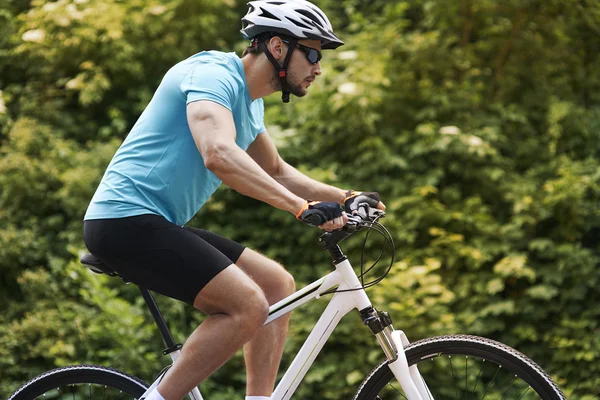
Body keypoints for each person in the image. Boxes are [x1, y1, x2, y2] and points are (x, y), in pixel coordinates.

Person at [83, 1, 385, 399]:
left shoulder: (251, 102)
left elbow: (278, 170)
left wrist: (347, 197)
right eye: (312, 53)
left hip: (157, 222)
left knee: (277, 284)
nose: (318, 67)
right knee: (247, 306)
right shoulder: (212, 75)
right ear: (278, 47)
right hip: (124, 221)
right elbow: (219, 154)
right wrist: (300, 207)